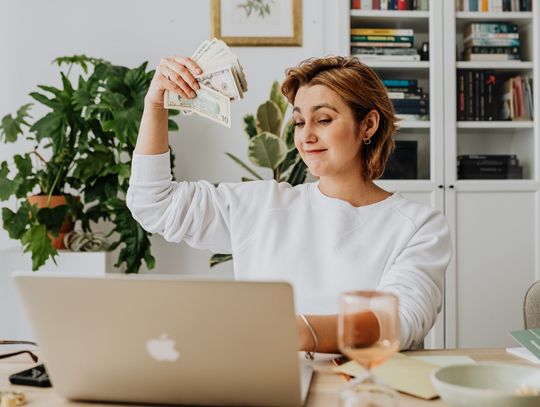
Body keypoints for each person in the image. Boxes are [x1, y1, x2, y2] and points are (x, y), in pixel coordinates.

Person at [127, 54, 451, 355]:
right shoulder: (261, 205)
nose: (306, 136)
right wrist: (155, 106)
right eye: (299, 122)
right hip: (268, 386)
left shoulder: (418, 225)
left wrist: (299, 331)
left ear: (368, 125)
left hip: (363, 389)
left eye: (323, 120)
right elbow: (154, 204)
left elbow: (402, 321)